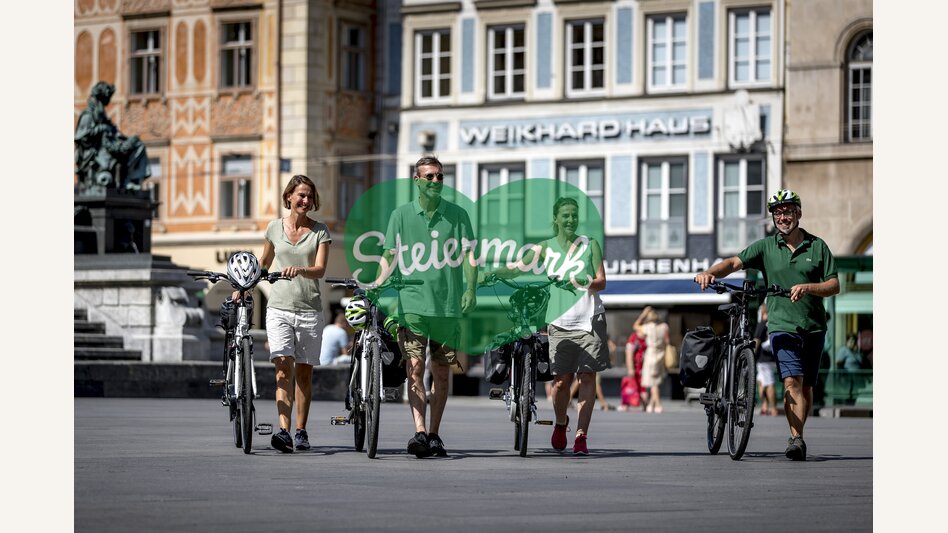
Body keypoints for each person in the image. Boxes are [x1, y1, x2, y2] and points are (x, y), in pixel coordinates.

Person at [695, 189, 839, 461]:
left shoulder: (817, 246)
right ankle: (796, 439)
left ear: (798, 213)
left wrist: (809, 287)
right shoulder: (765, 247)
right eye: (778, 213)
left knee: (806, 387)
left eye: (788, 212)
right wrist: (709, 273)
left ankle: (798, 431)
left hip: (813, 326)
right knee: (791, 380)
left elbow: (834, 285)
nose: (782, 218)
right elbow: (733, 262)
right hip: (781, 324)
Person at [379, 156, 478, 458]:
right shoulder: (400, 215)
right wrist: (377, 282)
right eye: (430, 176)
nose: (436, 181)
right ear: (417, 180)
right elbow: (389, 254)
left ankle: (434, 434)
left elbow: (469, 256)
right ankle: (419, 431)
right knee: (415, 369)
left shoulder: (458, 215)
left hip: (447, 306)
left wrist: (471, 289)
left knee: (442, 373)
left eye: (440, 177)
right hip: (411, 305)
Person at [257, 174, 332, 453]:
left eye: (310, 196)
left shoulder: (320, 231)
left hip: (309, 309)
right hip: (278, 307)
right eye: (301, 195)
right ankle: (284, 431)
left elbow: (320, 270)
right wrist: (244, 285)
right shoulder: (274, 228)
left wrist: (300, 269)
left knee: (303, 374)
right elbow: (264, 263)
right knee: (282, 367)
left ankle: (301, 430)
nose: (305, 200)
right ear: (288, 196)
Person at [634, 306, 669, 413]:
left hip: (651, 354)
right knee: (656, 380)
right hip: (661, 354)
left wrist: (643, 314)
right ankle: (651, 404)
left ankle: (658, 405)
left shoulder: (648, 327)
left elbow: (635, 326)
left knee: (653, 382)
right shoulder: (664, 326)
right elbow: (667, 341)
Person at [754, 303, 779, 416]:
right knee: (761, 381)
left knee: (769, 384)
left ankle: (773, 409)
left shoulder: (762, 324)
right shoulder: (774, 323)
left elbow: (757, 340)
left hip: (763, 359)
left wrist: (752, 354)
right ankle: (765, 406)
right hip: (772, 358)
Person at [619, 330, 646, 410]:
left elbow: (629, 353)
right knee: (637, 387)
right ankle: (642, 405)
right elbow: (629, 353)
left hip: (640, 368)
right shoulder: (637, 338)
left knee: (635, 387)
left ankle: (628, 404)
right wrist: (631, 368)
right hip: (639, 368)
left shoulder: (639, 338)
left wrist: (631, 368)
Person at [835, 334, 864, 402]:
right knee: (848, 396)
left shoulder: (856, 352)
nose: (852, 343)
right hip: (848, 378)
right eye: (851, 341)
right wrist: (842, 375)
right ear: (847, 341)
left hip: (856, 378)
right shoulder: (844, 350)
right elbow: (838, 363)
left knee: (854, 396)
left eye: (854, 341)